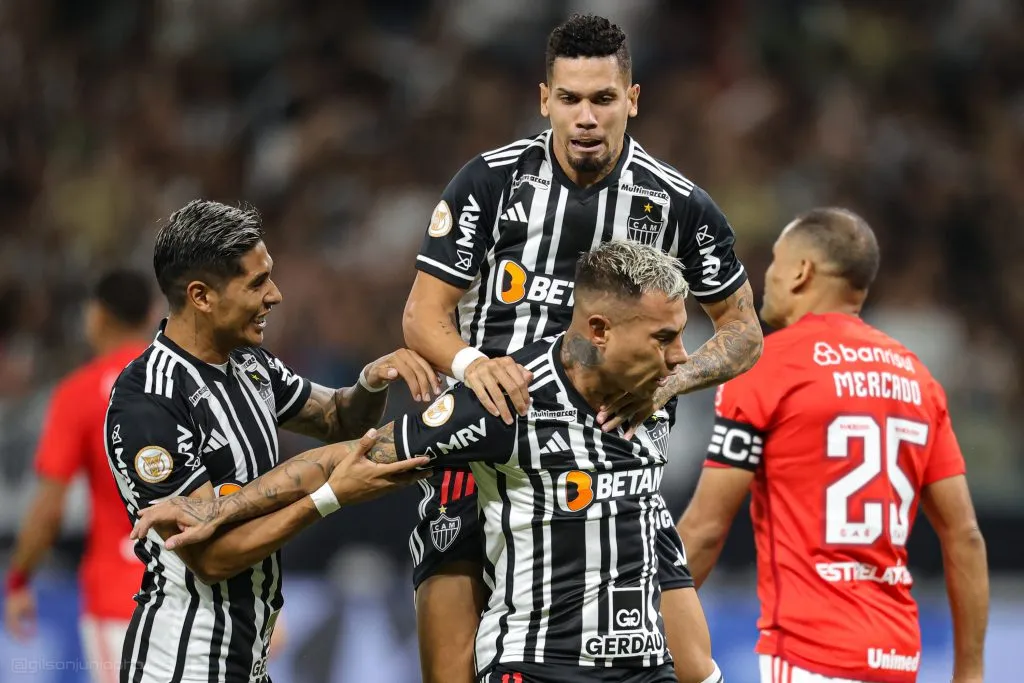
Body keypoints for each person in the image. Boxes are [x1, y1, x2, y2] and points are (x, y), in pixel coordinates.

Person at [135, 240, 702, 683]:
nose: (683, 356)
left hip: (641, 668)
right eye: (665, 338)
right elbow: (350, 453)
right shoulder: (507, 400)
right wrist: (223, 508)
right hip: (540, 666)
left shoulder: (658, 391)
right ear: (599, 330)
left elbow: (336, 417)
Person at [402, 13, 763, 683]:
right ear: (545, 99)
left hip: (615, 466)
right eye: (569, 99)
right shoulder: (490, 182)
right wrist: (474, 366)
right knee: (451, 671)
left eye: (602, 98)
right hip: (487, 457)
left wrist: (671, 383)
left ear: (632, 98)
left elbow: (744, 330)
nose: (585, 117)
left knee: (693, 669)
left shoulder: (678, 204)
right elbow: (423, 315)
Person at [103, 199, 433, 683]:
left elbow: (340, 418)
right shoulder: (149, 402)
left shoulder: (248, 364)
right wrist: (327, 498)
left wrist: (372, 380)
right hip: (184, 664)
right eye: (257, 282)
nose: (275, 295)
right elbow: (211, 559)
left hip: (248, 661)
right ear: (201, 296)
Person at [676, 208, 989, 683]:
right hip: (898, 657)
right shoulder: (917, 378)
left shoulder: (767, 367)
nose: (768, 276)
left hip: (808, 654)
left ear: (802, 271)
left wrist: (637, 625)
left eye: (776, 262)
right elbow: (964, 535)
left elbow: (705, 529)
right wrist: (970, 672)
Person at [3, 270, 153, 683]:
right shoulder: (184, 383)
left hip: (119, 600)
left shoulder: (79, 394)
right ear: (150, 315)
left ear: (97, 316)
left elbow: (49, 510)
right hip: (195, 595)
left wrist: (18, 580)